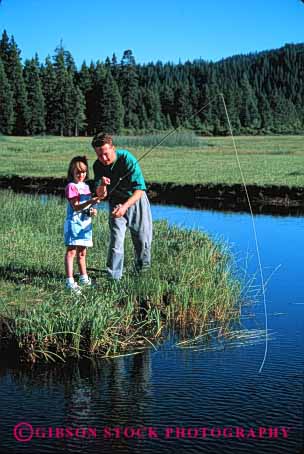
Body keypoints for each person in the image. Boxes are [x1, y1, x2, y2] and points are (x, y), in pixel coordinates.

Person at [92, 133, 152, 280]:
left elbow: (140, 189)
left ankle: (142, 274)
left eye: (106, 154)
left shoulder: (126, 158)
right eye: (100, 155)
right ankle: (114, 278)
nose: (104, 159)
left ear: (113, 148)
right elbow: (101, 195)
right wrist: (102, 185)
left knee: (142, 238)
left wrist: (125, 207)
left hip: (135, 200)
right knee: (116, 240)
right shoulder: (97, 166)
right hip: (115, 202)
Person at [64, 155, 109, 292]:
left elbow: (85, 209)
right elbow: (76, 206)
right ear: (72, 172)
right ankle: (69, 282)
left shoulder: (86, 187)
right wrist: (91, 201)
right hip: (74, 224)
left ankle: (84, 279)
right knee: (71, 252)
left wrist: (92, 210)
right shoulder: (71, 186)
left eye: (83, 172)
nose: (81, 175)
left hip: (85, 225)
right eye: (78, 172)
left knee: (82, 253)